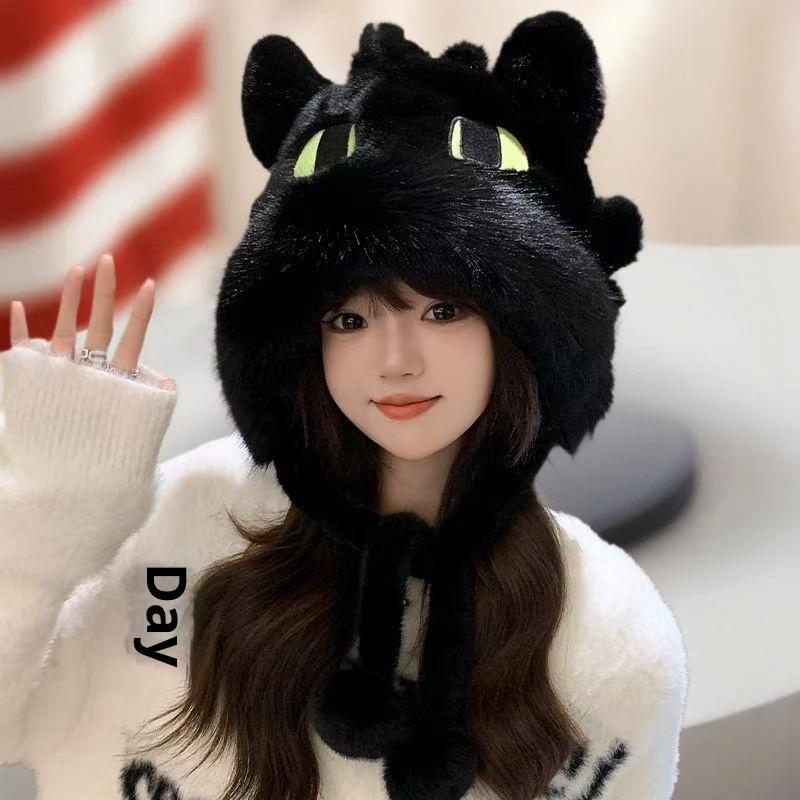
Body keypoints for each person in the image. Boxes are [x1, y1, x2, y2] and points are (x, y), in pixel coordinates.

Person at [0, 12, 688, 800]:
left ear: (522, 328)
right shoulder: (189, 525)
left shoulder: (609, 640)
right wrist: (54, 509)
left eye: (442, 310)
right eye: (349, 320)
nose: (395, 361)